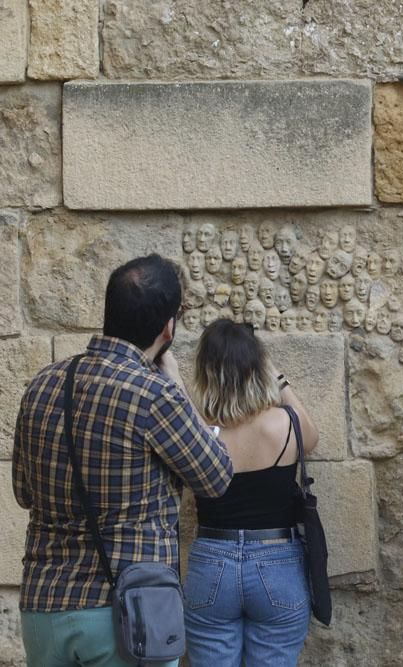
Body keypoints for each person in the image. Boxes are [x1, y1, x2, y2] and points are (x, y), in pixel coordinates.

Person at [12, 254, 234, 667]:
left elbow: (24, 493)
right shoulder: (154, 395)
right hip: (126, 610)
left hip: (44, 603)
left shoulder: (42, 384)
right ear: (168, 327)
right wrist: (177, 384)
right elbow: (217, 477)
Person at [185, 319, 319, 666]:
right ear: (257, 369)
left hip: (212, 561)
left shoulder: (199, 431)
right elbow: (312, 437)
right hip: (277, 562)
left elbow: (180, 412)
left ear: (205, 373)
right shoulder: (283, 423)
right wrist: (276, 374)